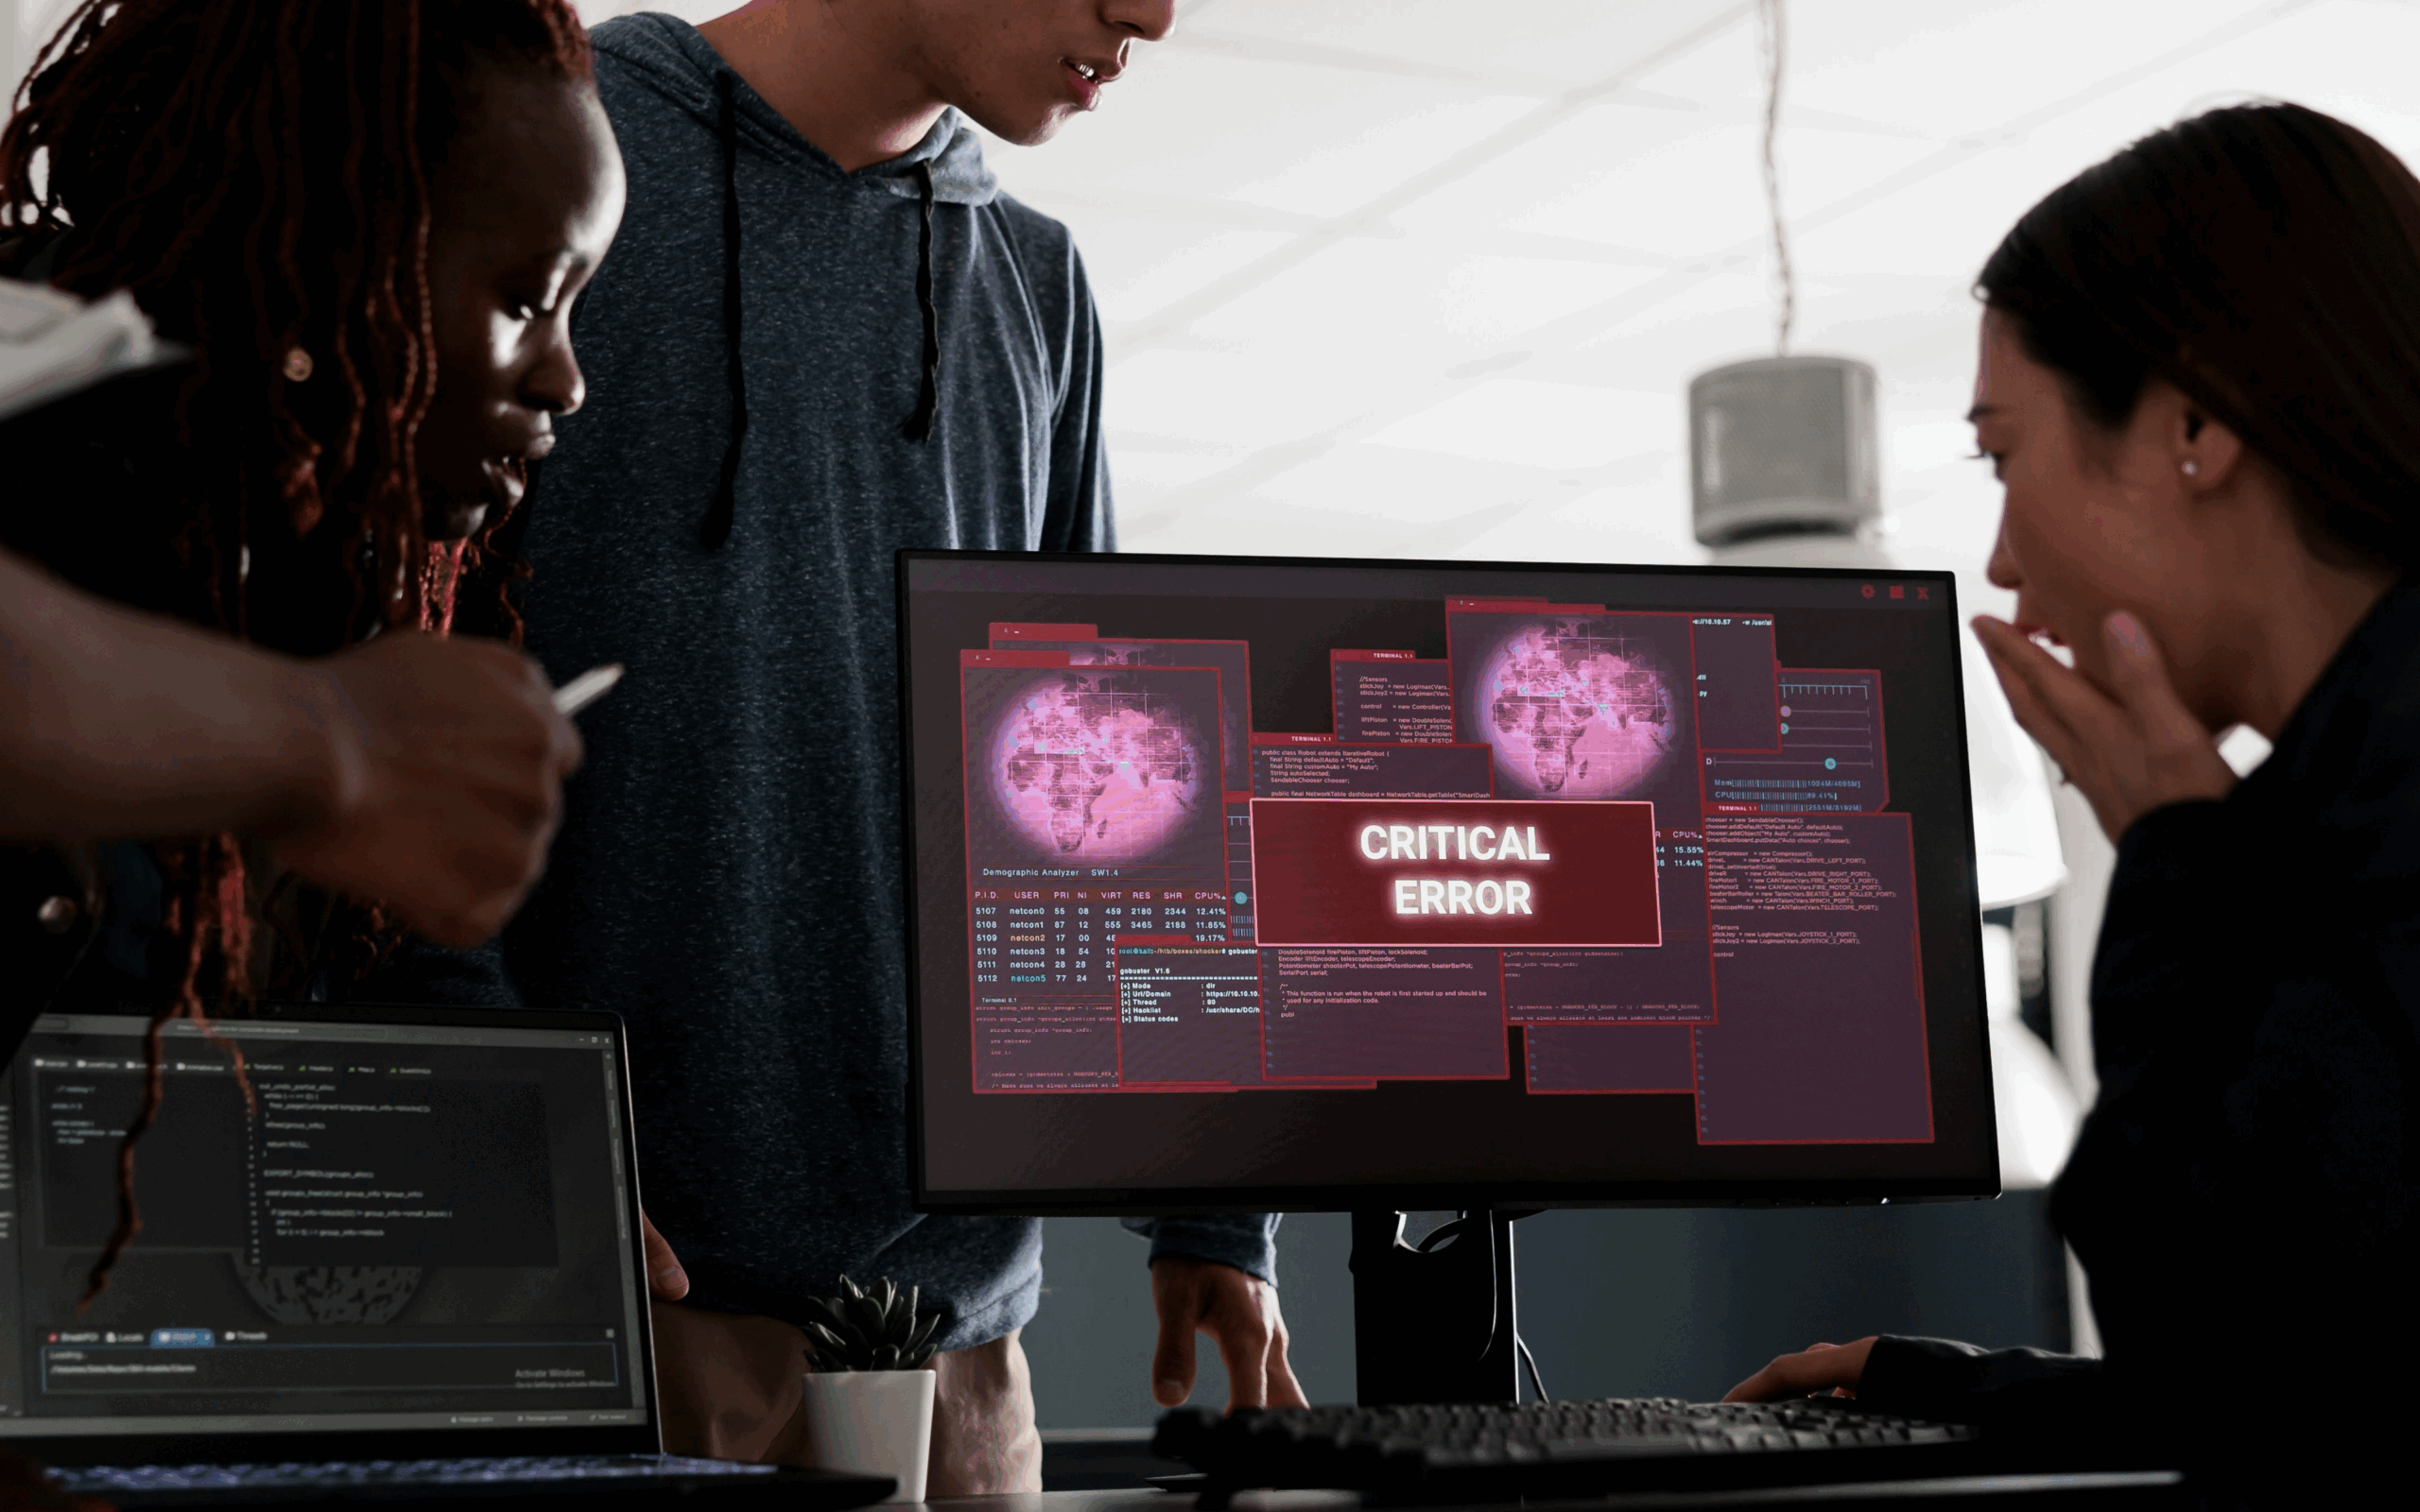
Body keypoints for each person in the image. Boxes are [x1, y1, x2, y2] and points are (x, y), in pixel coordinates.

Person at [373, 0, 1298, 1491]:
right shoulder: (550, 159)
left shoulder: (1039, 285)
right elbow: (390, 673)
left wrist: (1209, 1208)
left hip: (960, 1339)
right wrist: (495, 1122)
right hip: (614, 1295)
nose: (1154, 15)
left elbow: (1110, 777)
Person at [1722, 102, 2420, 1496]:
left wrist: (2172, 858)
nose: (1999, 562)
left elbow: (2254, 1391)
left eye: (2003, 454)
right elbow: (2329, 1370)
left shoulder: (2363, 826)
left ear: (2193, 427)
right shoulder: (2346, 795)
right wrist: (1955, 1394)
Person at [0, 0, 624, 1277]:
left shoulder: (260, 567)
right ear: (340, 255)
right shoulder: (37, 396)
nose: (564, 379)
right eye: (526, 298)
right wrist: (334, 744)